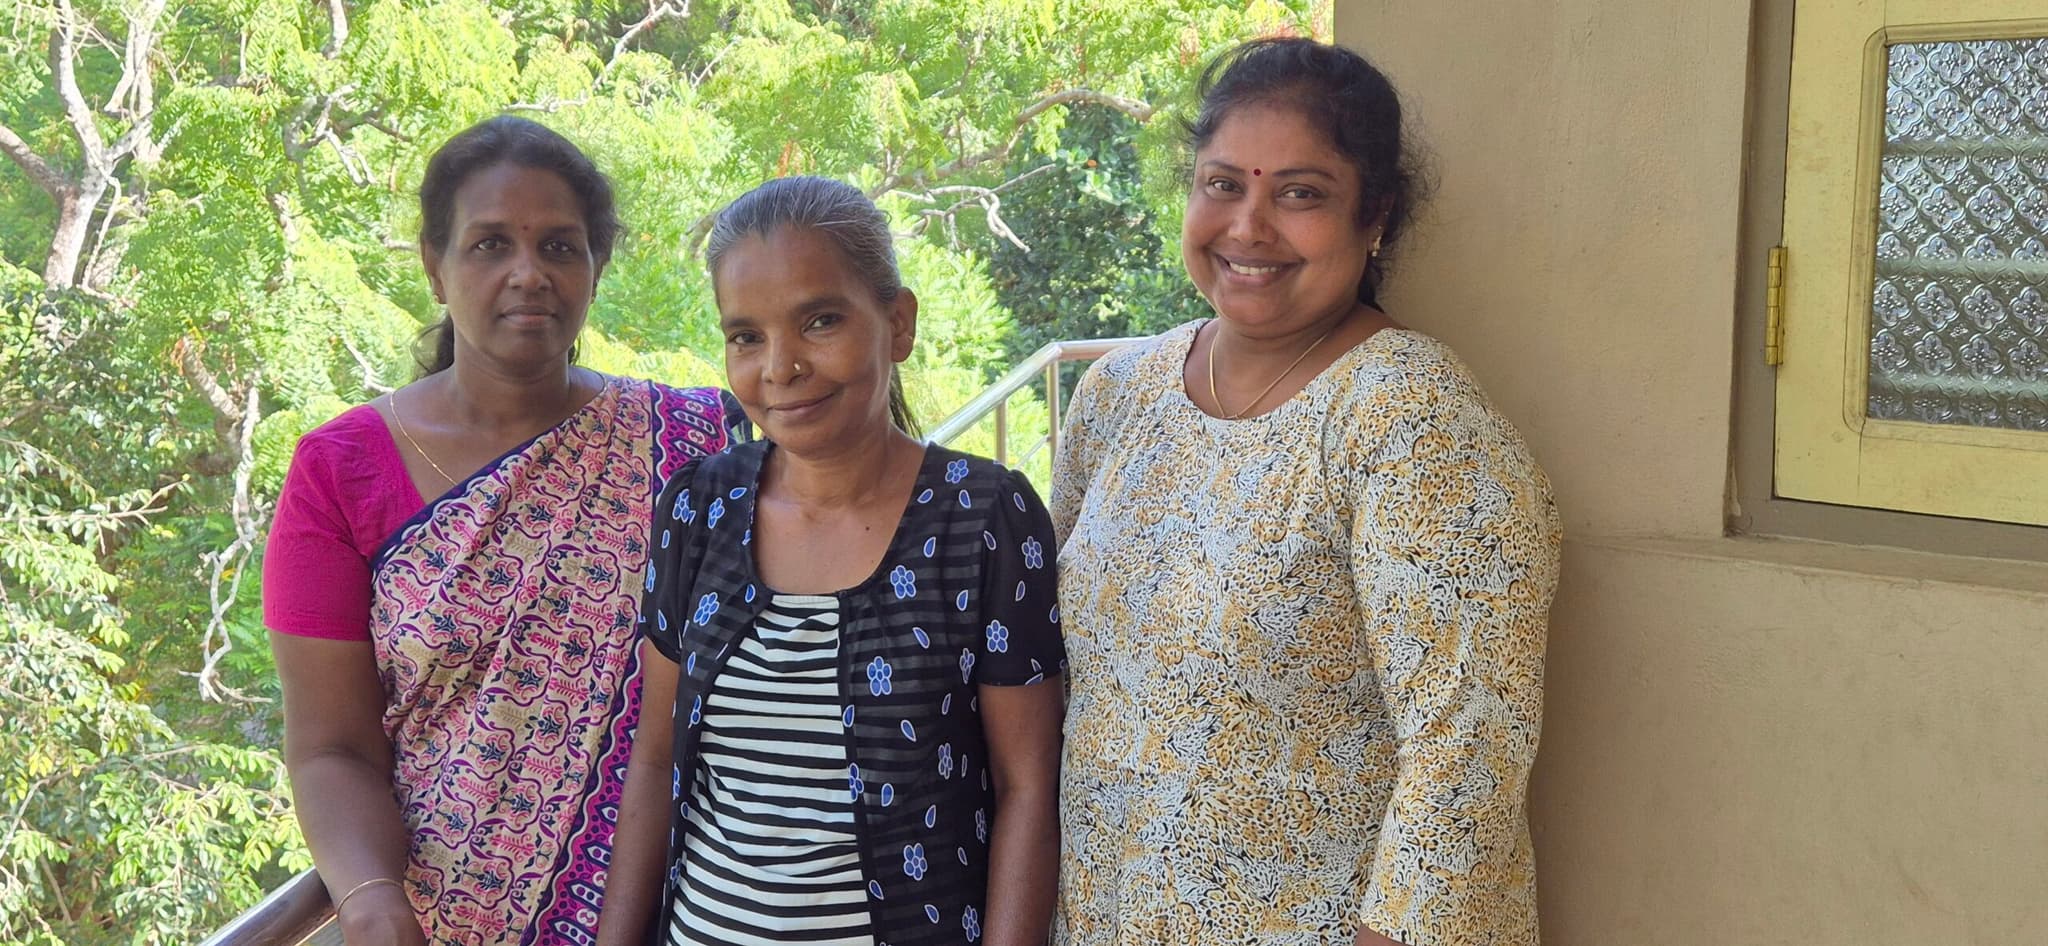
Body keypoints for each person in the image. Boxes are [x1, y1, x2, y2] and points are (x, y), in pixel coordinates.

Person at [1050, 38, 1563, 946]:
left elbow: (1466, 753)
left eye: (1301, 193)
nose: (1249, 227)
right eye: (1222, 185)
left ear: (1375, 218)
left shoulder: (1412, 419)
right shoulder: (1120, 393)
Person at [264, 116, 745, 946]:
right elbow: (330, 748)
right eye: (490, 245)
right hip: (437, 924)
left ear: (596, 265)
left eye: (560, 246)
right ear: (435, 266)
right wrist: (375, 902)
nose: (529, 274)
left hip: (690, 912)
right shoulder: (338, 472)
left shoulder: (697, 446)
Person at [598, 176, 1066, 946]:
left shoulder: (984, 518)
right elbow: (652, 763)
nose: (779, 368)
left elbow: (1027, 787)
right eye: (746, 336)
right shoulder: (698, 509)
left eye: (820, 321)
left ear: (898, 322)